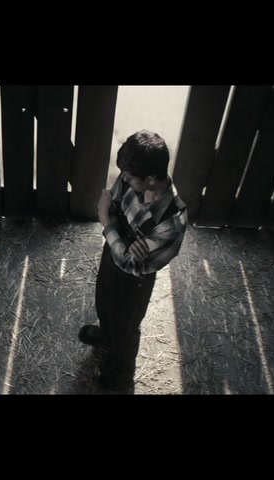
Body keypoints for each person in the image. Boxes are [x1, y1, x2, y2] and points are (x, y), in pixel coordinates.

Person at [79, 130, 187, 392]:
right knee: (104, 302)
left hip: (134, 283)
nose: (123, 179)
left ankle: (120, 373)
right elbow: (114, 204)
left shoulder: (173, 221)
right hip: (111, 257)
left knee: (126, 328)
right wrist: (125, 242)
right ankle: (107, 336)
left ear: (150, 179)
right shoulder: (131, 178)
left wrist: (107, 222)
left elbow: (133, 265)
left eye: (129, 177)